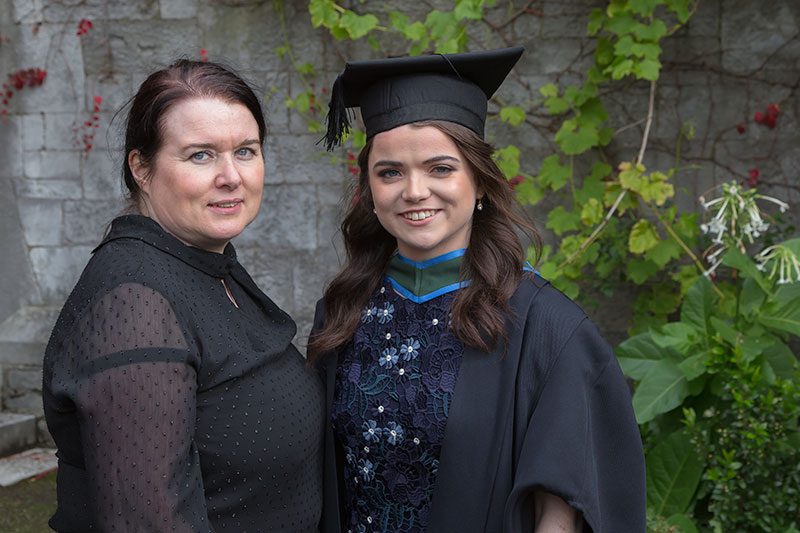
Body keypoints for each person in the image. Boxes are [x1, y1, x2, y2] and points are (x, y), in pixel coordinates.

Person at [308, 47, 645, 532]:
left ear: (480, 183)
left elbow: (561, 513)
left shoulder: (543, 327)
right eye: (390, 172)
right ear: (370, 188)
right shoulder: (342, 314)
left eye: (440, 168)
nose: (415, 191)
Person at [42, 59, 324, 532]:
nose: (231, 176)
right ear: (142, 169)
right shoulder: (133, 305)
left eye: (246, 151)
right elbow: (150, 521)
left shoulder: (204, 267)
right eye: (201, 155)